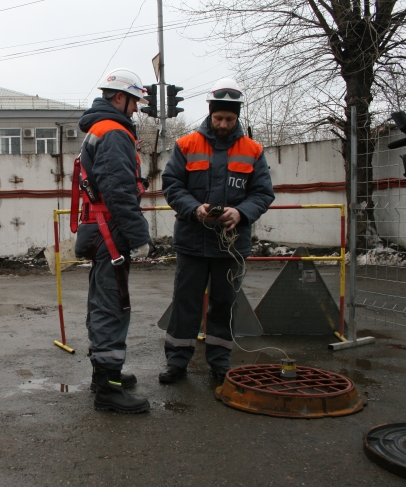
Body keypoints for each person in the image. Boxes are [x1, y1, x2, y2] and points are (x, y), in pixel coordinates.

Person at [159, 78, 274, 383]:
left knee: (224, 305)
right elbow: (172, 185)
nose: (223, 124)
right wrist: (194, 209)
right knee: (186, 304)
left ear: (238, 117)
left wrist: (241, 212)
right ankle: (177, 363)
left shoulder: (253, 150)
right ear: (209, 113)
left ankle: (220, 363)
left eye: (229, 119)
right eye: (218, 118)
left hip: (231, 246)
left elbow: (263, 194)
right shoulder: (186, 145)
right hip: (192, 242)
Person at [72, 68, 152, 413]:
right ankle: (109, 387)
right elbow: (119, 192)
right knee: (113, 305)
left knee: (101, 300)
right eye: (134, 103)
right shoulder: (115, 133)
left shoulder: (99, 129)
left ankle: (103, 374)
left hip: (99, 228)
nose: (135, 110)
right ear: (120, 98)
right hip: (112, 231)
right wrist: (140, 236)